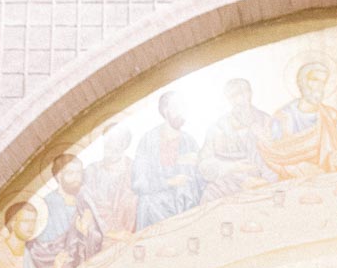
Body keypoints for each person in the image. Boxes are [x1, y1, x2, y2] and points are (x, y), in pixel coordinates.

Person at [265, 62, 337, 177]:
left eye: (323, 82)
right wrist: (298, 169)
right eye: (314, 80)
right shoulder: (282, 118)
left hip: (328, 177)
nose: (319, 86)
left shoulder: (331, 115)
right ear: (302, 82)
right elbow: (272, 155)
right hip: (294, 181)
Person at [197, 78, 276, 202]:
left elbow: (280, 154)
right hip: (230, 183)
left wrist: (264, 138)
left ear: (251, 93)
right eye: (236, 95)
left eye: (246, 92)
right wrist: (233, 167)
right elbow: (204, 165)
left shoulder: (265, 120)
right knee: (210, 197)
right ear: (229, 99)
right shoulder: (218, 127)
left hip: (265, 179)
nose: (243, 98)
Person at [132, 91, 202, 228]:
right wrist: (169, 182)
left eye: (184, 107)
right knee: (148, 202)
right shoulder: (148, 141)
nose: (182, 112)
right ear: (165, 111)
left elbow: (200, 181)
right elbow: (139, 183)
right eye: (177, 107)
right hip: (157, 202)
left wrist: (196, 166)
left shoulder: (189, 141)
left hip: (186, 199)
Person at [28, 153, 104, 268]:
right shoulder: (49, 205)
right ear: (59, 176)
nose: (76, 178)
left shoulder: (83, 201)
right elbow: (41, 249)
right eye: (70, 173)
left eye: (79, 173)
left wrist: (87, 232)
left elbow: (97, 239)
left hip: (81, 267)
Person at [83, 123, 138, 237]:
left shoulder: (134, 168)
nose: (109, 144)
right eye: (107, 139)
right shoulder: (91, 171)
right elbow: (88, 202)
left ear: (124, 144)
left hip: (131, 229)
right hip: (102, 232)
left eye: (115, 140)